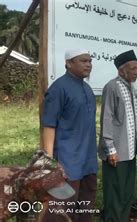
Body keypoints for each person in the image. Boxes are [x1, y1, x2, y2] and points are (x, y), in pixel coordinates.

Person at [41, 49, 98, 222]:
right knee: (61, 209)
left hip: (88, 161)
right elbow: (49, 125)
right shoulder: (58, 88)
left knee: (86, 206)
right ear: (68, 63)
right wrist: (49, 160)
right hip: (66, 162)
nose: (88, 64)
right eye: (83, 61)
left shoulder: (87, 89)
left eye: (89, 61)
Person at [99, 50, 137, 222]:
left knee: (126, 191)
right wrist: (110, 149)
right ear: (121, 70)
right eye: (133, 68)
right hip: (116, 151)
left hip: (130, 150)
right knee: (115, 191)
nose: (136, 71)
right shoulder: (112, 87)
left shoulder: (132, 88)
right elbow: (107, 119)